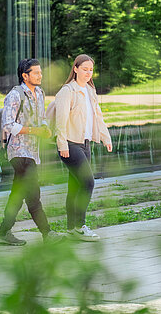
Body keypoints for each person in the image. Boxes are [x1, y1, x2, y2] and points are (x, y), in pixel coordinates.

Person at [0, 59, 57, 246]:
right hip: (19, 151)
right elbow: (8, 124)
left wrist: (45, 128)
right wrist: (33, 131)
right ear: (25, 75)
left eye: (40, 72)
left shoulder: (39, 93)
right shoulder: (15, 95)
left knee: (17, 194)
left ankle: (3, 233)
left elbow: (43, 118)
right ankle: (48, 234)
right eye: (36, 73)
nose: (40, 76)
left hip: (32, 151)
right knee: (33, 194)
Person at [52, 54, 112, 241]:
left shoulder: (90, 91)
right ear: (75, 69)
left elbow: (98, 117)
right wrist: (62, 145)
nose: (88, 73)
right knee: (88, 182)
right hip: (69, 143)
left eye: (91, 70)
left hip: (85, 143)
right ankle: (80, 226)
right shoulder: (67, 91)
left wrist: (105, 137)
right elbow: (60, 121)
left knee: (75, 185)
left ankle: (72, 229)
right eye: (84, 69)